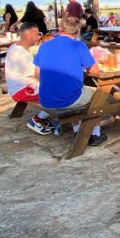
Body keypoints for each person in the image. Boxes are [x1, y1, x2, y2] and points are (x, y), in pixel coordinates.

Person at [33, 16, 106, 146]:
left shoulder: (45, 45)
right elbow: (95, 70)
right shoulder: (78, 45)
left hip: (45, 98)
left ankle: (77, 130)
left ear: (60, 28)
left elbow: (37, 73)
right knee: (101, 94)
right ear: (78, 31)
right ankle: (94, 134)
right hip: (68, 98)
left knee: (74, 89)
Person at [4, 22, 52, 135]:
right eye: (37, 34)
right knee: (61, 92)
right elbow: (38, 75)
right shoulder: (22, 55)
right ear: (28, 35)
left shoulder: (15, 46)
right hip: (22, 90)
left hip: (18, 86)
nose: (39, 37)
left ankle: (43, 117)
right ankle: (38, 120)